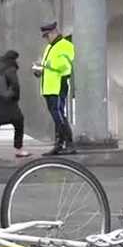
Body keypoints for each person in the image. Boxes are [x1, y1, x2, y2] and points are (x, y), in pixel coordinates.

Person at [34, 22, 75, 156]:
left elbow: (63, 65)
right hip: (49, 86)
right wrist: (39, 70)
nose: (46, 38)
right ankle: (60, 144)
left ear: (54, 32)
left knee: (59, 115)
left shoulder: (65, 46)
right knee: (56, 115)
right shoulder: (50, 47)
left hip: (58, 85)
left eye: (47, 36)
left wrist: (44, 64)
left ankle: (67, 143)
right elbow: (49, 66)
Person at [0, 50, 30, 159]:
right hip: (8, 101)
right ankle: (18, 148)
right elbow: (15, 85)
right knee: (19, 121)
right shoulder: (10, 68)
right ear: (13, 59)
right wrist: (15, 97)